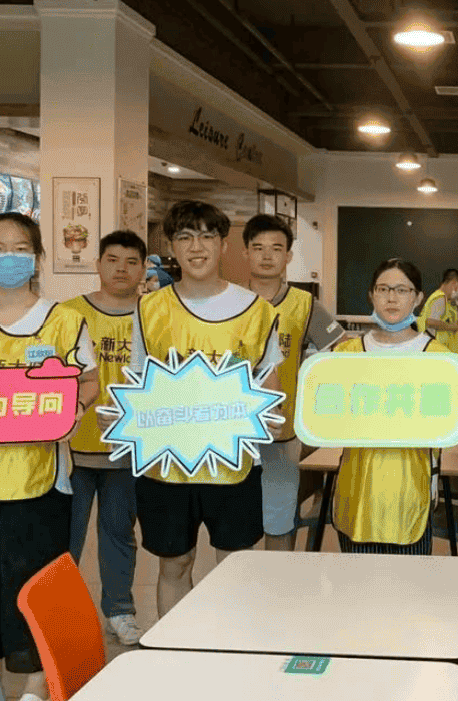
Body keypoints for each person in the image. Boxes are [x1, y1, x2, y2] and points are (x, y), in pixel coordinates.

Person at [0, 212, 98, 701]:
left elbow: (89, 379)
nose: (9, 257)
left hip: (39, 478)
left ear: (37, 257)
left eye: (20, 248)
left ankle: (33, 687)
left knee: (32, 584)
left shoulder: (64, 321)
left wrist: (75, 408)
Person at [130, 200, 283, 617]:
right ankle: (175, 647)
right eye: (184, 237)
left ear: (223, 245)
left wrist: (270, 418)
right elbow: (138, 382)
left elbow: (269, 382)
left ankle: (231, 645)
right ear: (171, 247)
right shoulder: (149, 309)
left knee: (235, 566)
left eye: (206, 236)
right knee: (174, 564)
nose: (196, 247)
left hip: (234, 464)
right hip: (166, 465)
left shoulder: (256, 311)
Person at [330, 258, 458, 554]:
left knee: (410, 580)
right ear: (371, 295)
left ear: (418, 298)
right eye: (383, 289)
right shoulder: (346, 354)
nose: (391, 298)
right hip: (356, 490)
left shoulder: (439, 358)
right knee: (357, 579)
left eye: (402, 290)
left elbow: (449, 425)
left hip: (412, 492)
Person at [64, 230, 148, 646]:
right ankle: (58, 616)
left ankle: (119, 610)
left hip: (126, 450)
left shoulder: (154, 314)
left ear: (143, 269)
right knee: (65, 537)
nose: (121, 269)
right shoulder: (67, 314)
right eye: (112, 260)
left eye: (131, 262)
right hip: (72, 449)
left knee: (119, 534)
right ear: (98, 264)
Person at [243, 213, 346, 551]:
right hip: (232, 432)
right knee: (235, 527)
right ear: (245, 252)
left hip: (283, 432)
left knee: (279, 522)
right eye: (258, 247)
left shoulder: (305, 305)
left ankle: (276, 582)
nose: (267, 256)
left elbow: (340, 355)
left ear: (288, 255)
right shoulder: (229, 303)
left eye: (276, 248)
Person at [416, 267, 458, 348]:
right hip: (429, 345)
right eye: (457, 288)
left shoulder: (439, 297)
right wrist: (451, 327)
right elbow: (430, 322)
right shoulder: (440, 298)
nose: (457, 292)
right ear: (453, 283)